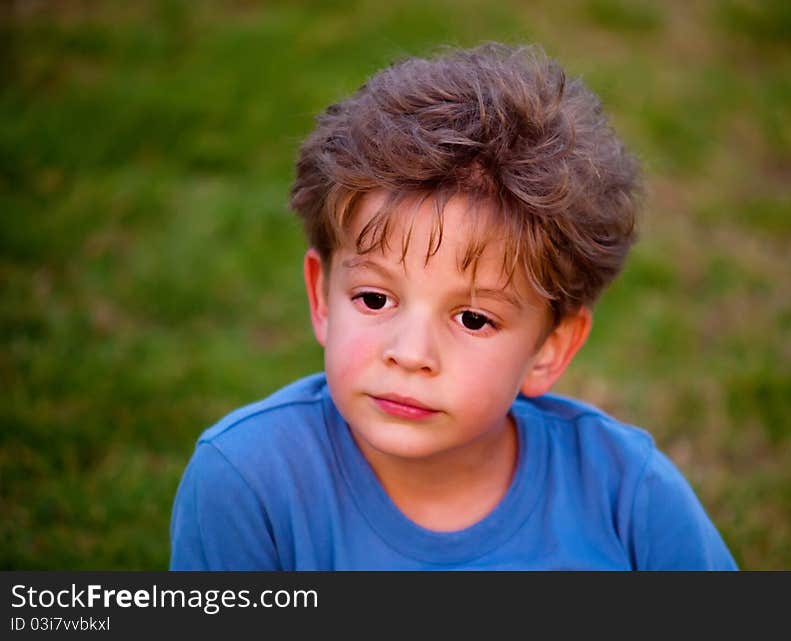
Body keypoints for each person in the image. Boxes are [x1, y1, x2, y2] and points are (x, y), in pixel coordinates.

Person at [169, 43, 737, 570]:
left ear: (550, 347)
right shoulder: (247, 482)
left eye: (473, 318)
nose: (410, 354)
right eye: (374, 298)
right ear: (322, 297)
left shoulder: (628, 498)